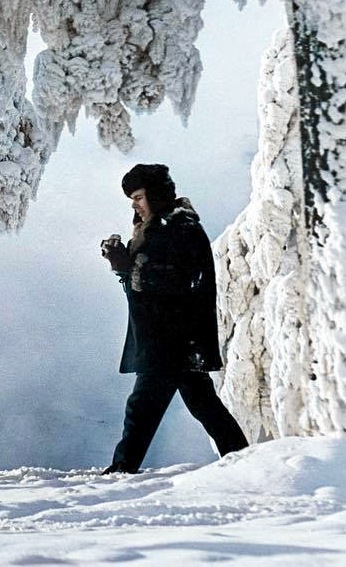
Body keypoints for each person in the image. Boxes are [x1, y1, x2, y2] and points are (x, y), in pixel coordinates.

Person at [99, 163, 247, 474]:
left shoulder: (180, 229)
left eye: (138, 197)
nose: (135, 205)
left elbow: (176, 281)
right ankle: (245, 461)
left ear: (155, 194)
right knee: (204, 406)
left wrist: (128, 267)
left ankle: (123, 469)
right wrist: (124, 261)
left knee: (143, 407)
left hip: (171, 338)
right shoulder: (165, 228)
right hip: (173, 338)